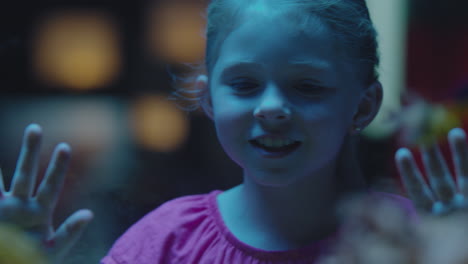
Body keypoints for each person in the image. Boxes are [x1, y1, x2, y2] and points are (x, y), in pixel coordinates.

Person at [1, 0, 468, 263]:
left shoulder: (408, 244)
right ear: (208, 98)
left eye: (306, 86)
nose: (272, 108)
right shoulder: (163, 245)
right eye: (244, 84)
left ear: (363, 104)